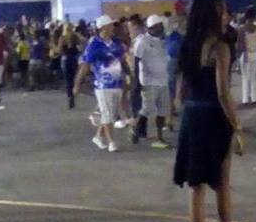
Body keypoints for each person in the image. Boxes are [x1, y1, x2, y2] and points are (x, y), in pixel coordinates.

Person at [173, 0, 242, 222]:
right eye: (222, 11)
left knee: (195, 186)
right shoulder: (220, 48)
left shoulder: (187, 46)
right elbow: (223, 92)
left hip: (192, 117)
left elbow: (179, 95)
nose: (226, 16)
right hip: (215, 117)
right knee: (222, 184)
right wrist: (237, 127)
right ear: (214, 14)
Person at [74, 13, 128, 152]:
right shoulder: (94, 45)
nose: (113, 27)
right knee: (107, 114)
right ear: (103, 27)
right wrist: (77, 84)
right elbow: (85, 65)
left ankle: (98, 136)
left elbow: (122, 60)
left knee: (110, 113)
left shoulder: (116, 42)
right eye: (110, 25)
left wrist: (128, 75)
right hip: (103, 85)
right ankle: (111, 142)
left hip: (117, 83)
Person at [132, 14, 172, 148]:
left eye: (161, 26)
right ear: (151, 28)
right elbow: (136, 61)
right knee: (147, 109)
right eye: (159, 27)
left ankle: (160, 137)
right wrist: (137, 82)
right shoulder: (142, 42)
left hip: (163, 81)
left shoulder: (162, 41)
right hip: (149, 81)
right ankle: (135, 128)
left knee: (163, 111)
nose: (161, 29)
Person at [238, 7, 256, 105]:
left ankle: (245, 99)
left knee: (245, 77)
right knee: (253, 77)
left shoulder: (242, 29)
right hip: (255, 54)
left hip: (245, 54)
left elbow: (240, 44)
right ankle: (254, 98)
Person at [60, 22, 82, 109]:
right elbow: (81, 47)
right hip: (74, 59)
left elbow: (60, 49)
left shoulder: (62, 38)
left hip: (65, 59)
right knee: (74, 78)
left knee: (68, 80)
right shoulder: (75, 37)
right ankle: (73, 95)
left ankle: (70, 96)